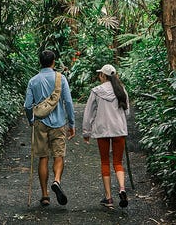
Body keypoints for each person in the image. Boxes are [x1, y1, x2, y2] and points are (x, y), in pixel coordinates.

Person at [24, 49, 76, 206]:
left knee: (43, 157)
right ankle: (57, 180)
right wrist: (72, 124)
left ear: (40, 62)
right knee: (59, 155)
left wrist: (31, 120)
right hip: (59, 123)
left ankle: (45, 195)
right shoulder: (61, 79)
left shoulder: (33, 81)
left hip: (40, 123)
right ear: (54, 62)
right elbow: (68, 102)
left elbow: (27, 105)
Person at [81, 63, 130, 208]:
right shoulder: (121, 90)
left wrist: (86, 131)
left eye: (100, 74)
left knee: (104, 162)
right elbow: (127, 112)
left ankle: (108, 198)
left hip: (102, 130)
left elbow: (88, 112)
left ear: (103, 76)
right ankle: (122, 188)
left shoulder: (96, 91)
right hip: (119, 130)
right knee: (118, 162)